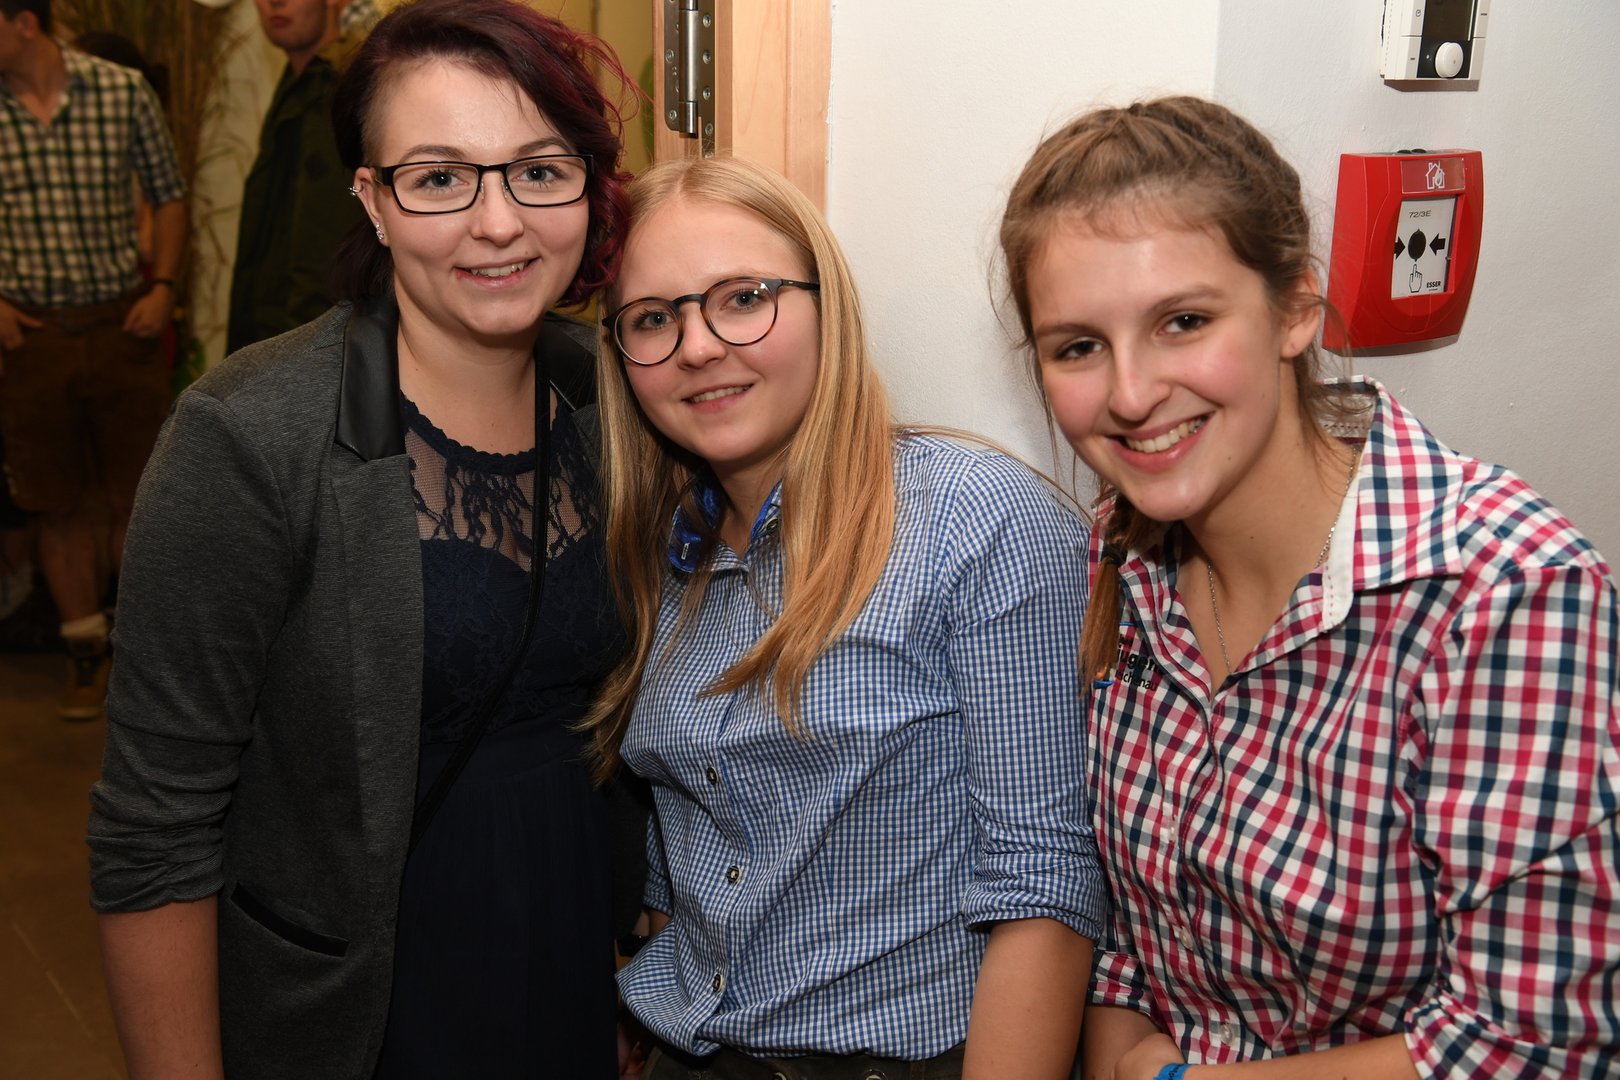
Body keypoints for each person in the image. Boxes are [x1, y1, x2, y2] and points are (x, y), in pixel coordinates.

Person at [997, 96, 1620, 1080]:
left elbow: (1531, 1045)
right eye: (1078, 346)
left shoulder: (1507, 593)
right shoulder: (1121, 557)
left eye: (1183, 321)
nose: (1129, 393)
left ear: (1294, 309)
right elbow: (1132, 935)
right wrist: (1129, 1047)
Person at [87, 1, 634, 1077]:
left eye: (538, 170)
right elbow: (155, 824)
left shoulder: (616, 400)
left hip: (572, 950)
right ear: (373, 201)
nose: (498, 223)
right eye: (439, 178)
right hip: (360, 1002)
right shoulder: (250, 436)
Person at [588, 156, 1108, 1079]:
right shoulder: (663, 549)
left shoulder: (974, 521)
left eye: (744, 298)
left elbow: (1046, 882)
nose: (698, 345)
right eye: (654, 319)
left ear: (828, 307)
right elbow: (691, 824)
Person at [0, 0, 186, 719]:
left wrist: (163, 288)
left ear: (24, 21)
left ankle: (145, 657)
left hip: (121, 324)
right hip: (31, 335)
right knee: (55, 501)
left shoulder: (120, 89)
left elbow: (168, 195)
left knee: (142, 494)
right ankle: (84, 653)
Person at [226, 0, 364, 355]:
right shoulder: (298, 81)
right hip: (272, 335)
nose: (275, 2)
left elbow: (323, 244)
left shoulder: (341, 86)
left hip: (309, 341)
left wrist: (305, 357)